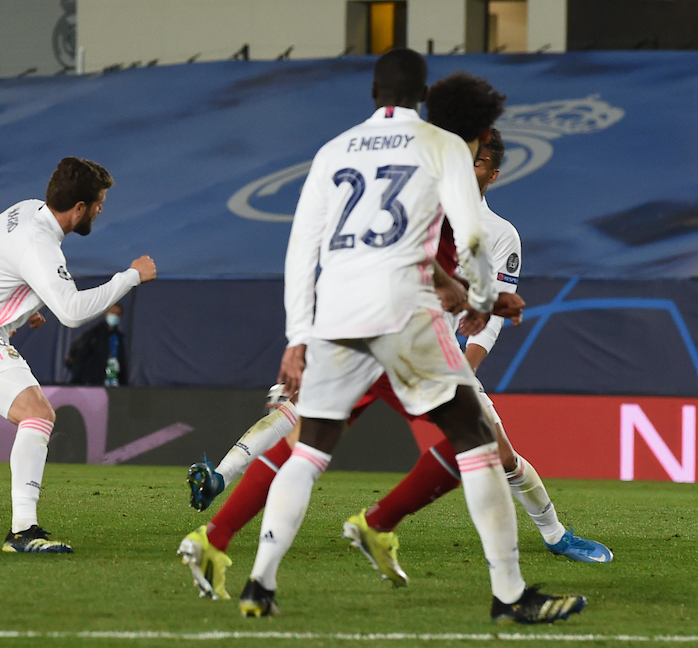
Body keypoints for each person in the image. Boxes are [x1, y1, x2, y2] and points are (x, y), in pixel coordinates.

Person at [178, 127, 609, 602]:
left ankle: (243, 563)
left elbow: (421, 279)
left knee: (313, 446)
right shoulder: (424, 200)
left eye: (479, 162)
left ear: (493, 172)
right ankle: (497, 587)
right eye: (463, 158)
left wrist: (470, 345)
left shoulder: (495, 232)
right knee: (322, 434)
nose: (468, 168)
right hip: (401, 339)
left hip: (390, 337)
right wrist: (478, 299)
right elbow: (417, 270)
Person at [237, 50, 585, 624]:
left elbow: (302, 250)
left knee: (308, 451)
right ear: (423, 93)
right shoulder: (441, 144)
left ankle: (260, 583)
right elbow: (472, 238)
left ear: (373, 89)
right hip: (405, 308)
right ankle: (509, 594)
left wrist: (298, 336)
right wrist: (478, 299)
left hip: (337, 316)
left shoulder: (332, 152)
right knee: (476, 442)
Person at [0, 157, 156, 554]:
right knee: (38, 414)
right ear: (78, 209)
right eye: (98, 202)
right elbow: (71, 312)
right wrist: (130, 276)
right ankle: (23, 531)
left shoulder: (26, 208)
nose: (101, 209)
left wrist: (16, 297)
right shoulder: (40, 245)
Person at [66, 304, 128, 386]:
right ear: (106, 313)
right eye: (112, 312)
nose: (114, 316)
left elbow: (121, 362)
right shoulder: (94, 334)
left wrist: (123, 383)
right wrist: (77, 380)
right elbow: (80, 357)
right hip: (93, 383)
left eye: (117, 314)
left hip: (113, 382)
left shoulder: (118, 337)